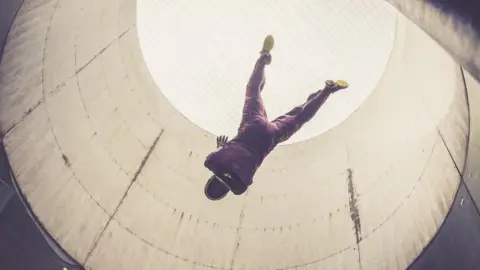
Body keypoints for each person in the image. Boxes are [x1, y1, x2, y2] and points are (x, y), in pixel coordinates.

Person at [204, 35, 349, 200]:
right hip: (251, 126)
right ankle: (263, 58)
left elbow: (242, 172)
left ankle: (327, 90)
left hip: (269, 138)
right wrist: (223, 146)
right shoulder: (212, 162)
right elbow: (222, 157)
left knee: (300, 117)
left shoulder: (240, 186)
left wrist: (225, 150)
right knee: (253, 90)